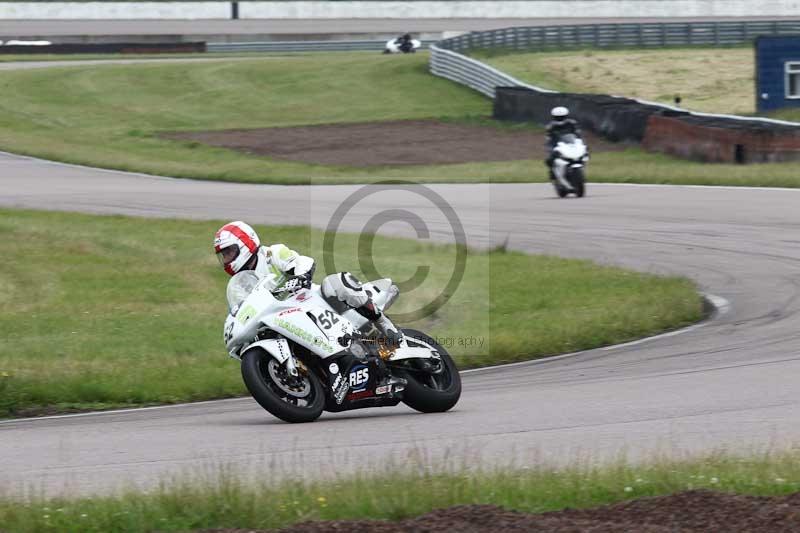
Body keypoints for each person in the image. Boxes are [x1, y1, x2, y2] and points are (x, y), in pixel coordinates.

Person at [214, 221, 401, 344]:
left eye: (229, 252)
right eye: (224, 256)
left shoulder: (273, 254)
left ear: (246, 243)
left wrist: (300, 276)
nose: (227, 259)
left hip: (313, 301)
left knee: (333, 283)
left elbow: (303, 262)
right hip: (286, 319)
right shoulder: (243, 283)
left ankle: (384, 323)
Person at [545, 106, 582, 176]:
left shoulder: (572, 123)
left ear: (566, 116)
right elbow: (549, 138)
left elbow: (578, 134)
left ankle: (579, 169)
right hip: (556, 144)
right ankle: (553, 173)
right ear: (554, 117)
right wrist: (551, 147)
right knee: (549, 159)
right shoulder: (550, 126)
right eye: (557, 117)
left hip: (569, 143)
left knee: (583, 151)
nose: (560, 118)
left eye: (562, 117)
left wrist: (580, 142)